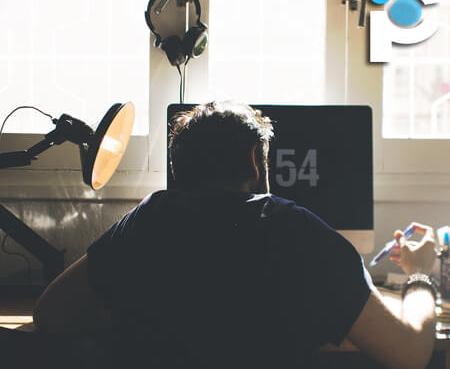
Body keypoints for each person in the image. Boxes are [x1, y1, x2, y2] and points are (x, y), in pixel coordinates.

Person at [33, 101, 438, 368]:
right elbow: (409, 354)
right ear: (253, 160)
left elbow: (50, 315)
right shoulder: (297, 230)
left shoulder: (149, 219)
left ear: (179, 168)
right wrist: (420, 275)